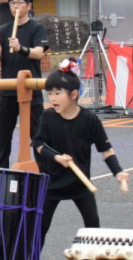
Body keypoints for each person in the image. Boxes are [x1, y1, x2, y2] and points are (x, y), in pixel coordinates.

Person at [32, 59, 128, 238]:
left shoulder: (89, 119)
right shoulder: (48, 116)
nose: (52, 98)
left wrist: (118, 172)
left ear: (74, 94)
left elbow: (106, 150)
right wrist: (56, 157)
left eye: (57, 93)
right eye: (50, 93)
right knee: (39, 229)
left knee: (93, 227)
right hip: (52, 183)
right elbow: (38, 145)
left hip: (80, 182)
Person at [0, 0, 49, 168]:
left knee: (37, 133)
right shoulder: (4, 29)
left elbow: (38, 53)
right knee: (3, 134)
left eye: (19, 3)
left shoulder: (37, 28)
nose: (15, 6)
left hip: (31, 89)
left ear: (29, 6)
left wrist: (20, 48)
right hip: (8, 88)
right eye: (12, 3)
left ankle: (45, 169)